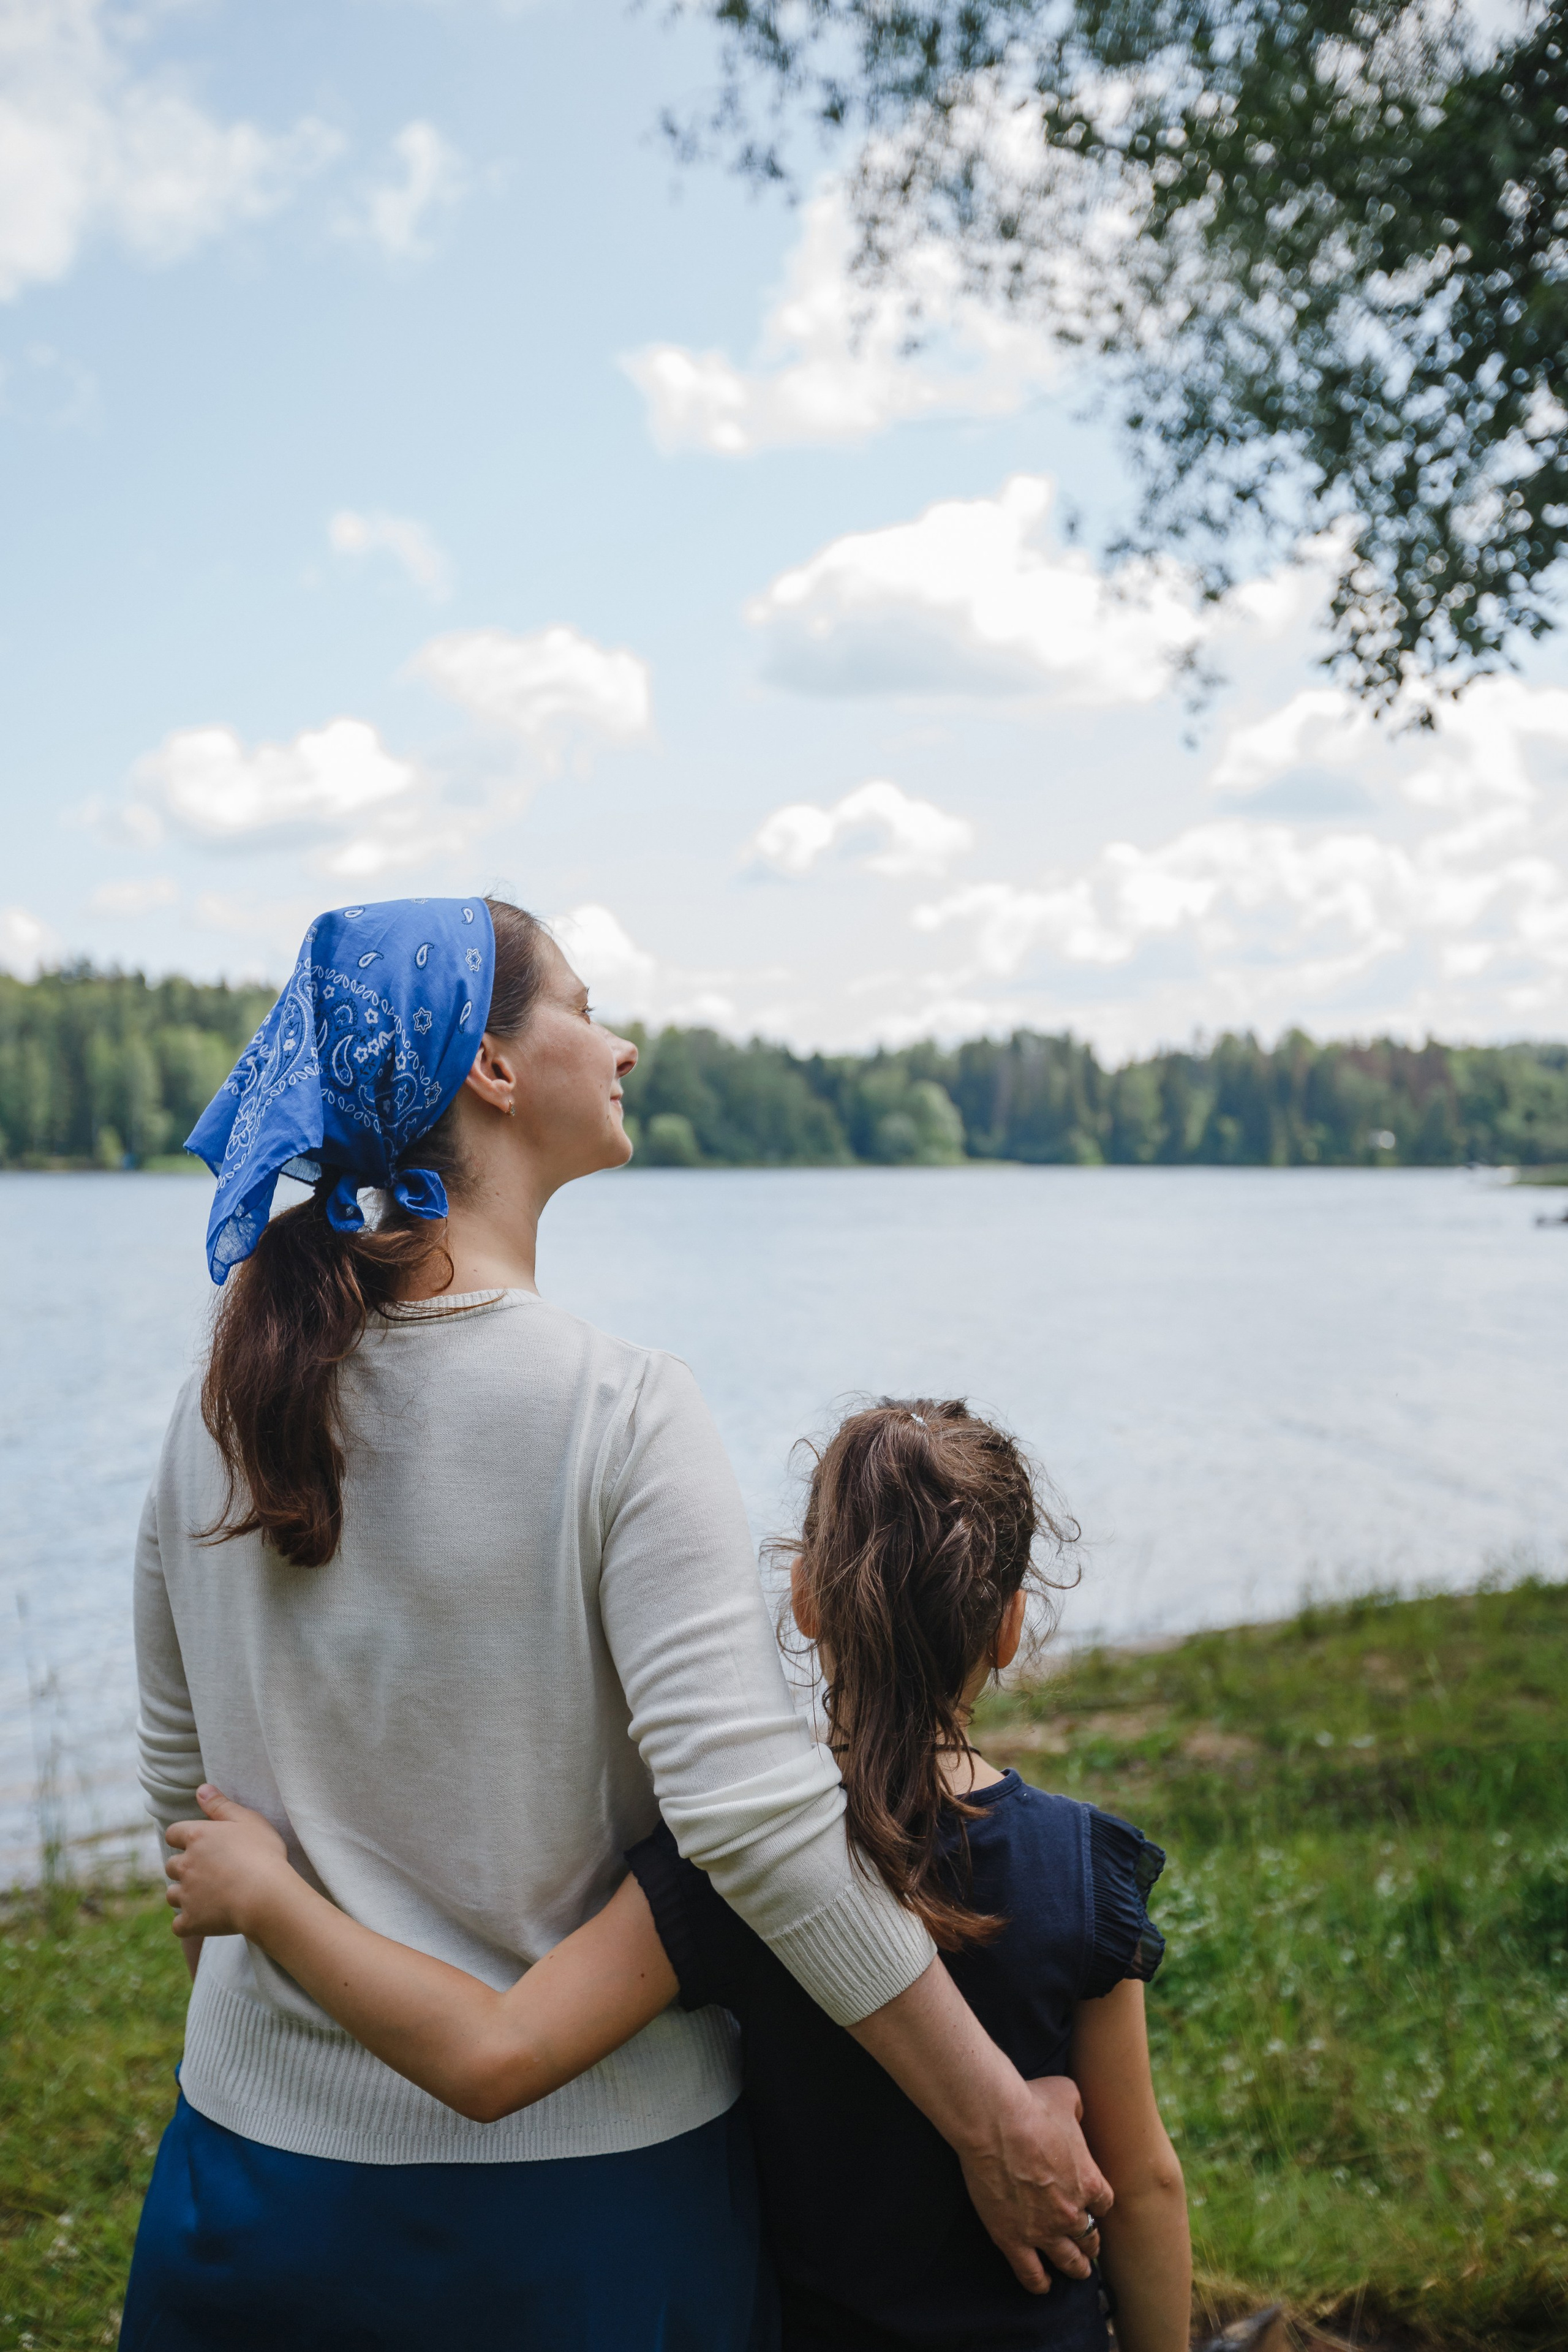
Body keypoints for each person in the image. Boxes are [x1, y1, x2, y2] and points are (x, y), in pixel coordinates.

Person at [122, 895, 1110, 2352]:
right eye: (585, 1007)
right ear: (493, 1070)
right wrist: (991, 2121)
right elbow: (756, 1823)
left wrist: (283, 2069)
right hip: (571, 2227)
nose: (625, 1043)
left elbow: (179, 1797)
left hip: (246, 2199)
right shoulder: (619, 1410)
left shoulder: (215, 1413)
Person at [165, 1396, 1191, 2352]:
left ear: (802, 1600)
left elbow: (494, 2054)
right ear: (1011, 1627)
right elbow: (1143, 2184)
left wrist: (268, 1898)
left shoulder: (730, 1870)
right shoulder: (1080, 1866)